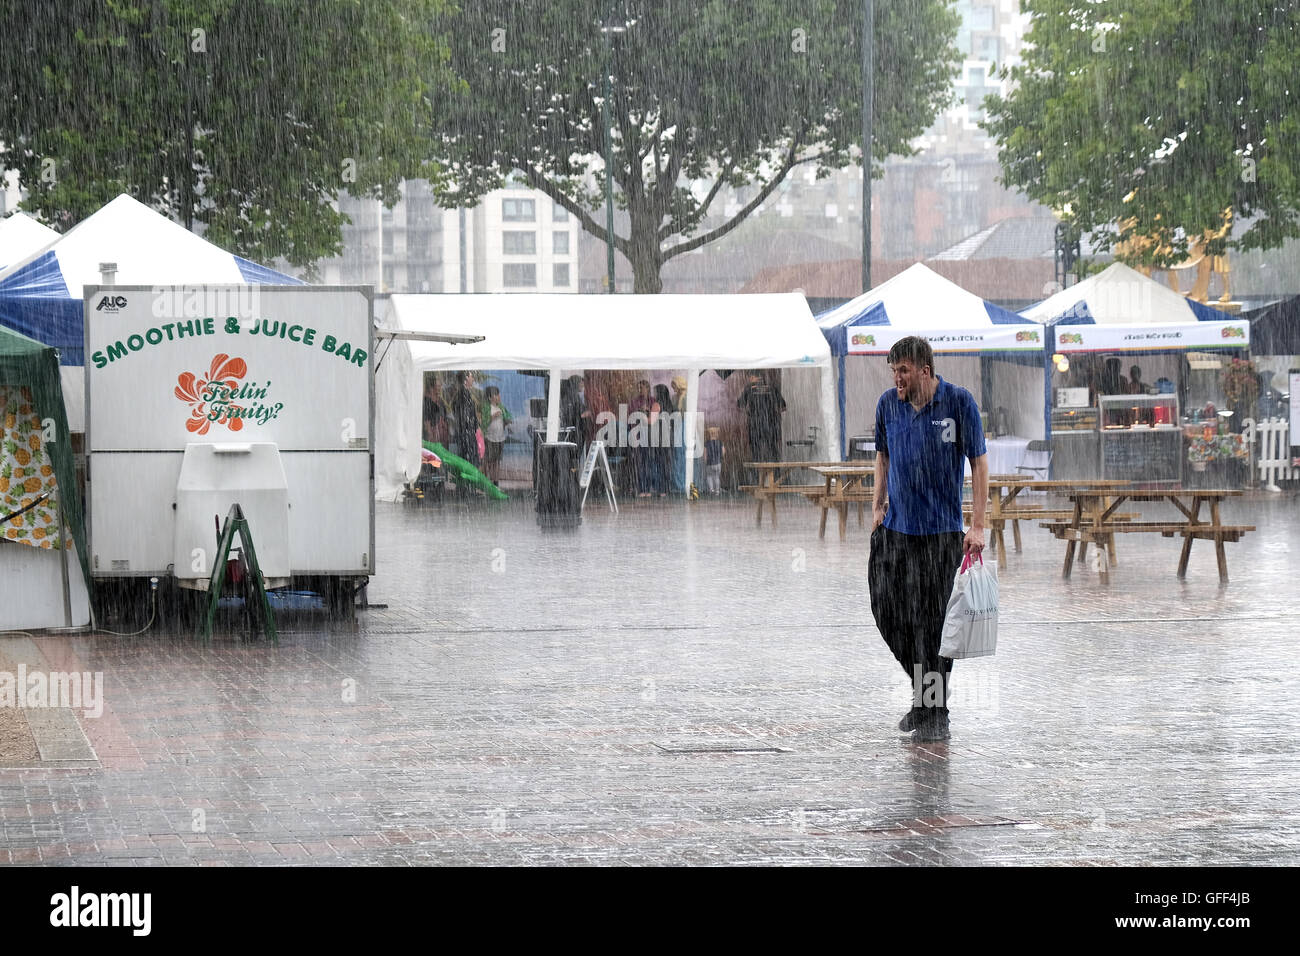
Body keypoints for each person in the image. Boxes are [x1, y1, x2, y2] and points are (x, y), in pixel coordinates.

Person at [868, 336, 987, 742]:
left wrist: (978, 524)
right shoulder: (888, 404)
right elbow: (882, 456)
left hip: (940, 536)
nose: (897, 378)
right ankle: (925, 696)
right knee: (888, 611)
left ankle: (934, 711)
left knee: (933, 628)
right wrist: (877, 505)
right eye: (893, 371)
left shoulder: (958, 402)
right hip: (897, 531)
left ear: (924, 369)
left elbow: (980, 462)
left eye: (903, 370)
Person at [737, 371, 786, 483]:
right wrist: (772, 414)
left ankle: (758, 480)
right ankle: (775, 478)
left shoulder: (749, 389)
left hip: (755, 426)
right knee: (773, 451)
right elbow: (783, 407)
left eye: (750, 377)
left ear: (753, 377)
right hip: (771, 426)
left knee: (756, 453)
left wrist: (750, 413)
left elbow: (739, 405)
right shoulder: (772, 387)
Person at [480, 385, 512, 484]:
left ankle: (496, 482)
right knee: (488, 462)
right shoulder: (486, 407)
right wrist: (492, 416)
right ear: (490, 397)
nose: (499, 397)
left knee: (497, 461)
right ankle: (487, 482)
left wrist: (508, 421)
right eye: (496, 395)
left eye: (499, 394)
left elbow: (509, 417)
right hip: (489, 438)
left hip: (500, 438)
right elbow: (483, 423)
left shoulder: (502, 407)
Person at [450, 370, 481, 469]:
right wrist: (472, 425)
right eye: (471, 377)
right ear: (466, 379)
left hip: (466, 432)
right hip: (466, 433)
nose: (473, 379)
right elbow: (464, 416)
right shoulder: (463, 395)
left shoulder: (463, 394)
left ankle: (466, 482)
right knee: (469, 460)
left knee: (466, 459)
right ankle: (467, 483)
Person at [629, 379, 655, 497]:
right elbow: (631, 416)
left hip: (649, 435)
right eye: (639, 388)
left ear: (648, 388)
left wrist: (647, 411)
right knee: (639, 462)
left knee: (648, 462)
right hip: (638, 434)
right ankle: (640, 488)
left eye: (642, 388)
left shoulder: (653, 401)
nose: (640, 390)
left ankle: (648, 488)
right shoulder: (634, 401)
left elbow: (655, 418)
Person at [651, 383, 675, 497]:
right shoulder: (670, 405)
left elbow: (651, 421)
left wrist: (643, 415)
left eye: (655, 392)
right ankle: (666, 488)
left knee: (659, 463)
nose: (653, 394)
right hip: (668, 436)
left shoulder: (657, 404)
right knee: (666, 463)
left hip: (659, 437)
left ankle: (661, 489)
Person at [670, 375, 688, 493]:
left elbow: (686, 415)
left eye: (675, 386)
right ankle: (679, 483)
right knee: (678, 456)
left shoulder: (685, 398)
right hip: (678, 426)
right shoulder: (675, 398)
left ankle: (682, 484)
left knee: (682, 455)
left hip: (683, 426)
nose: (674, 388)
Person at [704, 426, 724, 495]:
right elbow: (723, 452)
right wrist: (720, 457)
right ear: (716, 434)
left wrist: (705, 460)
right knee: (717, 477)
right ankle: (717, 491)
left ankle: (711, 489)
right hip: (718, 463)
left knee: (709, 476)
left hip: (710, 463)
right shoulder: (720, 442)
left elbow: (705, 453)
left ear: (710, 434)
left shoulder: (707, 443)